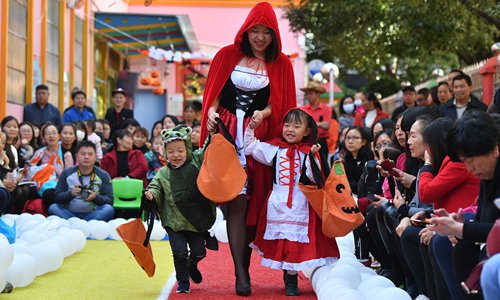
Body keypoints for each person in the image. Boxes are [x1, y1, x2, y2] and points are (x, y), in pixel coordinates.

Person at [200, 2, 297, 295]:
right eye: (255, 30)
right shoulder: (226, 55)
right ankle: (241, 274)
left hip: (260, 136)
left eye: (266, 32)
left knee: (258, 201)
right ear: (246, 29)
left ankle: (246, 266)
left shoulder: (282, 64)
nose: (259, 37)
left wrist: (264, 114)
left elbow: (282, 103)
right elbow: (213, 93)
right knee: (236, 203)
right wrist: (212, 113)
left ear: (274, 35)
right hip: (229, 133)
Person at [244, 108, 338, 296]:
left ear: (307, 131)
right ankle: (289, 277)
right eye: (287, 125)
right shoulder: (275, 149)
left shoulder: (308, 152)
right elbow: (250, 147)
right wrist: (251, 128)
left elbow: (314, 178)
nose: (290, 129)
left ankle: (291, 280)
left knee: (295, 243)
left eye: (296, 126)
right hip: (278, 200)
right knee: (283, 242)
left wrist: (312, 156)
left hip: (301, 201)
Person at [428, 111, 500, 300]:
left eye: (471, 161)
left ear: (494, 150)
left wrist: (462, 228)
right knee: (459, 247)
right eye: (464, 162)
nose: (469, 169)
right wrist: (459, 227)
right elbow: (482, 220)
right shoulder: (487, 175)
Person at [145, 125, 216, 294]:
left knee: (199, 253)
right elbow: (154, 186)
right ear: (165, 153)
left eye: (180, 151)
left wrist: (212, 132)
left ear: (188, 149)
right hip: (174, 222)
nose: (176, 155)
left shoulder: (196, 161)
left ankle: (193, 265)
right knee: (179, 253)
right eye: (171, 152)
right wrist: (151, 194)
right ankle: (183, 280)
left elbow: (208, 147)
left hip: (195, 220)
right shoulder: (162, 173)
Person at [48, 140, 114, 221]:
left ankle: (76, 224)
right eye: (83, 154)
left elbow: (110, 200)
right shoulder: (67, 173)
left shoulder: (103, 175)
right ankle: (84, 224)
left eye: (90, 154)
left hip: (94, 214)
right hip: (69, 213)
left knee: (108, 209)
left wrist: (95, 197)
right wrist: (71, 194)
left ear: (95, 157)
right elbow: (57, 197)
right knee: (53, 208)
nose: (86, 157)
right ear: (77, 156)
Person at [299, 81, 331, 157]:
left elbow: (326, 125)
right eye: (306, 94)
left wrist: (310, 124)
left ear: (318, 94)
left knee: (322, 165)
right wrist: (320, 124)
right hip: (305, 141)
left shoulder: (326, 109)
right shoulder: (302, 109)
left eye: (310, 93)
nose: (308, 96)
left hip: (321, 141)